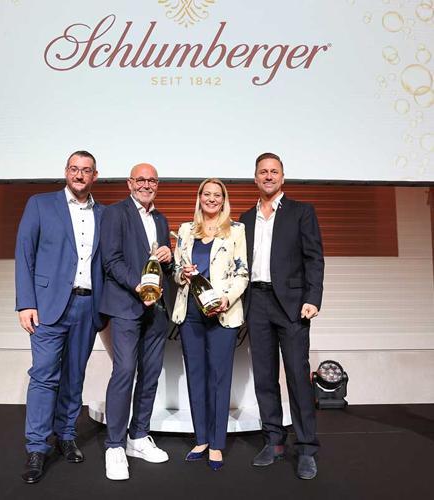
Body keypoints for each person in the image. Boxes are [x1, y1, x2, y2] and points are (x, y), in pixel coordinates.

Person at [15, 150, 105, 483]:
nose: (79, 175)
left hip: (87, 305)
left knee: (74, 375)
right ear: (66, 171)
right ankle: (37, 447)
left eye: (86, 170)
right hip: (48, 305)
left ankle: (66, 434)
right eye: (74, 169)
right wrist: (26, 303)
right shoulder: (40, 204)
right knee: (44, 375)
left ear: (95, 175)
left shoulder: (104, 213)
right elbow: (24, 253)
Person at [239, 152, 324, 480]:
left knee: (298, 377)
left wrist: (313, 298)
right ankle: (273, 441)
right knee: (264, 377)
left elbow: (314, 258)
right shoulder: (245, 219)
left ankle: (306, 448)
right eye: (263, 171)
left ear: (282, 177)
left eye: (274, 171)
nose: (269, 176)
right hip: (256, 302)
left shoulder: (302, 212)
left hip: (292, 304)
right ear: (255, 178)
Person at [100, 163, 173, 481]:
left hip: (156, 310)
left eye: (152, 180)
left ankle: (138, 436)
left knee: (151, 373)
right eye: (140, 179)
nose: (146, 184)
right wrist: (139, 286)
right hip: (125, 306)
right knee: (125, 371)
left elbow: (162, 265)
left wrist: (168, 257)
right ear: (130, 183)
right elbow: (111, 260)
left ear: (157, 185)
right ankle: (114, 445)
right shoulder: (115, 213)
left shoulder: (161, 219)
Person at [172, 178, 248, 470]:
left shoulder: (236, 230)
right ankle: (201, 439)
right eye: (207, 194)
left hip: (222, 312)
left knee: (219, 377)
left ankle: (216, 443)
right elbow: (175, 271)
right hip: (190, 312)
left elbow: (242, 273)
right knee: (196, 375)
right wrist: (183, 273)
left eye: (218, 195)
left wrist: (227, 299)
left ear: (224, 199)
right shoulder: (185, 230)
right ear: (200, 197)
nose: (212, 199)